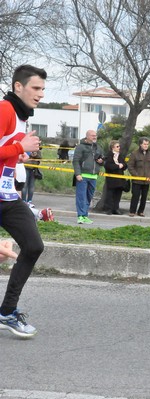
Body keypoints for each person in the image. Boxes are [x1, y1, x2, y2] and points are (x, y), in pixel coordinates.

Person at [0, 64, 46, 338]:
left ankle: (6, 311)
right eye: (35, 88)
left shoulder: (21, 116)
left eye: (43, 89)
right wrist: (20, 148)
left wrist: (18, 156)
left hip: (6, 195)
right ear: (19, 86)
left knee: (33, 246)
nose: (40, 94)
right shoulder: (5, 109)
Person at [73, 129, 104, 224]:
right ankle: (80, 216)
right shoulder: (80, 147)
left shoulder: (98, 147)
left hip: (93, 176)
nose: (94, 137)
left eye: (95, 135)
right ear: (87, 136)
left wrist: (101, 161)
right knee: (81, 197)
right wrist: (78, 174)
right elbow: (76, 161)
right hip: (83, 176)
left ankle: (85, 215)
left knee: (89, 197)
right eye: (92, 135)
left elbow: (103, 159)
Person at [127, 137, 150, 217]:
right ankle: (132, 211)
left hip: (147, 180)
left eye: (147, 144)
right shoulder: (134, 154)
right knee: (135, 195)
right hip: (137, 180)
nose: (146, 146)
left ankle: (141, 211)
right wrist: (135, 175)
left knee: (144, 197)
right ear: (140, 144)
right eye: (144, 144)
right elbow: (130, 166)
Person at [103, 140, 128, 215]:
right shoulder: (108, 155)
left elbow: (125, 165)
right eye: (117, 146)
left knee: (118, 194)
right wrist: (117, 166)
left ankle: (116, 208)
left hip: (120, 178)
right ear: (112, 147)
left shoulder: (120, 155)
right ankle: (109, 209)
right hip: (111, 178)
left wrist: (122, 165)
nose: (119, 148)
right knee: (110, 194)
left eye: (119, 146)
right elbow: (108, 166)